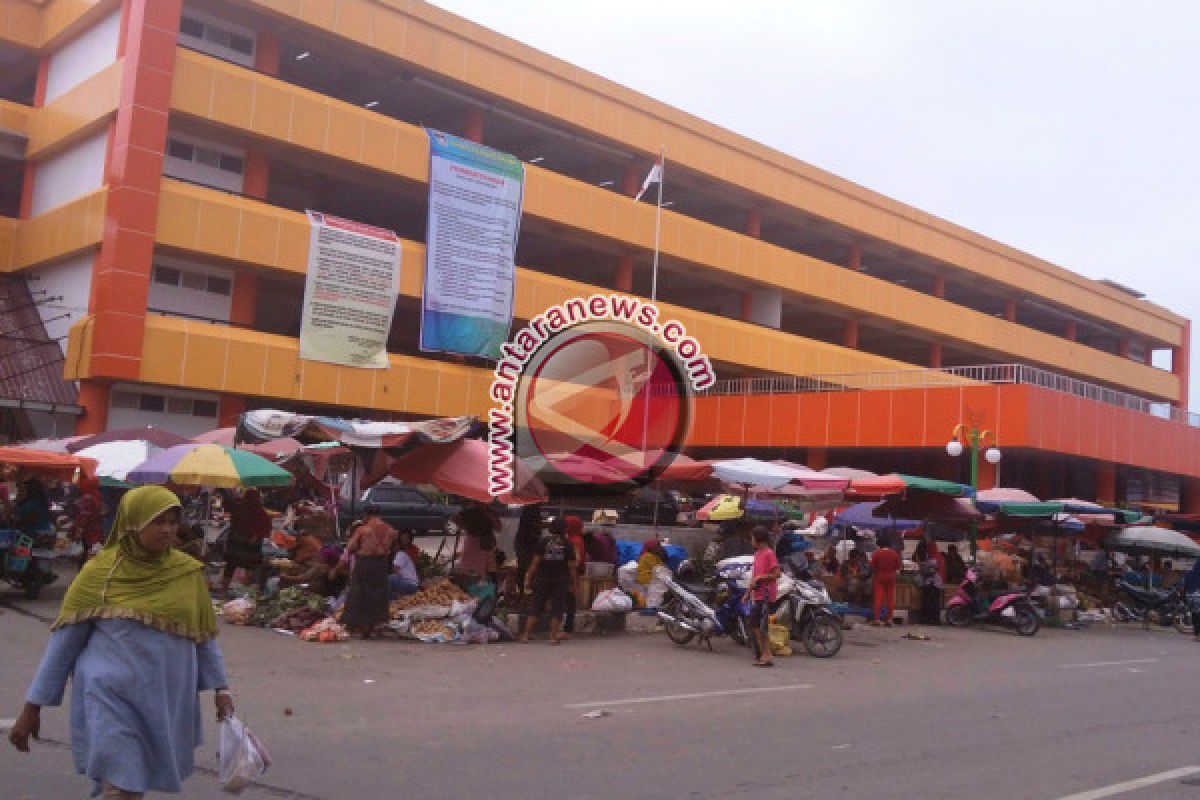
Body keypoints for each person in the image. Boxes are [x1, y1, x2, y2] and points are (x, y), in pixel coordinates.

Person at [8, 486, 234, 798]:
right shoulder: (99, 573)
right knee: (122, 781)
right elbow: (63, 646)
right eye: (158, 522)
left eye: (172, 521)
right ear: (132, 523)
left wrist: (221, 690)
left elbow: (204, 637)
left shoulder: (187, 572)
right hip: (109, 694)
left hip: (163, 699)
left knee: (132, 779)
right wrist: (32, 708)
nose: (168, 529)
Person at [342, 505, 397, 637]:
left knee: (359, 593)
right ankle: (372, 625)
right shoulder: (390, 530)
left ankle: (358, 625)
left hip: (365, 563)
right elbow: (393, 549)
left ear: (366, 515)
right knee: (377, 594)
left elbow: (351, 546)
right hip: (381, 563)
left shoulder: (363, 530)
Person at [519, 516, 575, 643]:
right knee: (557, 608)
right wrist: (573, 582)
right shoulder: (568, 544)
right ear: (565, 529)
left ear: (551, 528)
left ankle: (525, 635)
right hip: (560, 579)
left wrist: (528, 579)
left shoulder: (543, 541)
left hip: (541, 578)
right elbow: (572, 567)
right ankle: (552, 637)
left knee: (536, 606)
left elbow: (535, 563)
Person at [220, 489, 271, 595]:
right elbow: (266, 527)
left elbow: (226, 505)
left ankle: (224, 589)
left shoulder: (238, 506)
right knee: (250, 566)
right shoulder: (260, 511)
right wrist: (256, 535)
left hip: (235, 541)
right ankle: (245, 593)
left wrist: (233, 496)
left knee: (230, 566)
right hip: (251, 543)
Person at [748, 527, 781, 667]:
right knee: (756, 625)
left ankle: (767, 655)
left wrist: (761, 577)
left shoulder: (769, 554)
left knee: (759, 626)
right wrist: (748, 592)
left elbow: (777, 573)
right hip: (758, 594)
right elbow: (754, 577)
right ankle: (764, 654)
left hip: (767, 595)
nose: (751, 541)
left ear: (758, 539)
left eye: (752, 538)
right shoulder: (757, 554)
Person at [456, 502, 500, 583]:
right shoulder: (468, 511)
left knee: (489, 570)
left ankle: (488, 588)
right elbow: (460, 525)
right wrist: (458, 522)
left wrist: (488, 514)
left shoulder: (490, 511)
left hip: (486, 543)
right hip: (472, 543)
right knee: (469, 570)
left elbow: (498, 528)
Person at [561, 515, 587, 636]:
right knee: (568, 601)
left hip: (571, 574)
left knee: (569, 601)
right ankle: (566, 628)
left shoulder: (574, 540)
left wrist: (571, 576)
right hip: (571, 574)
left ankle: (567, 629)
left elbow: (576, 560)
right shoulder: (576, 538)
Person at [71, 477, 105, 565]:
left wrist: (77, 530)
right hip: (96, 530)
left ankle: (83, 575)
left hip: (87, 532)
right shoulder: (97, 495)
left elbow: (83, 517)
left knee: (84, 555)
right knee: (92, 555)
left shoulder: (87, 498)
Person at [512, 502, 544, 590]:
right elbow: (536, 525)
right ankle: (527, 590)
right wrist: (549, 525)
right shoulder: (533, 510)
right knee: (532, 568)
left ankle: (521, 591)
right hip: (527, 543)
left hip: (522, 542)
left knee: (522, 567)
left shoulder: (527, 510)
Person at [869, 542, 902, 626]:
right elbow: (898, 566)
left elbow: (872, 566)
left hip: (879, 577)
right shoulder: (894, 554)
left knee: (878, 598)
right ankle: (889, 619)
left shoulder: (876, 553)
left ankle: (877, 619)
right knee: (890, 598)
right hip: (891, 577)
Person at [1181, 559, 1200, 641]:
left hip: (1190, 597)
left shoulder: (1189, 574)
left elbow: (1184, 586)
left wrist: (1184, 596)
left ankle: (1196, 635)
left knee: (1195, 616)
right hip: (1198, 597)